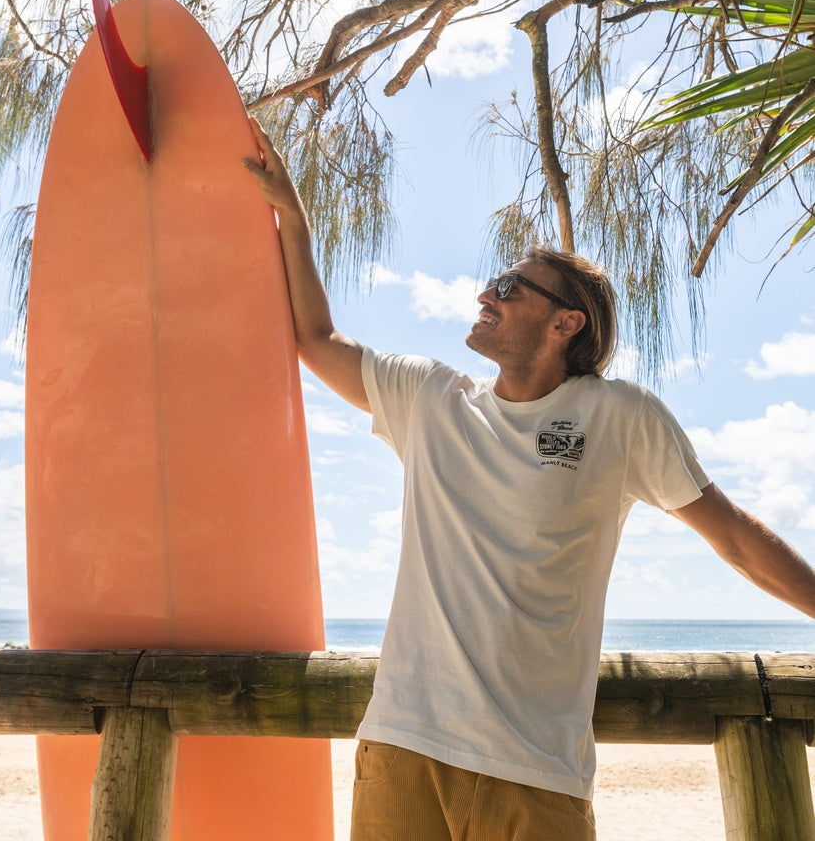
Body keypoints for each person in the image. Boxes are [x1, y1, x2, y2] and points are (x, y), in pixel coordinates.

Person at [243, 117, 815, 841]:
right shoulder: (429, 398)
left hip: (533, 768)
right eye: (494, 280)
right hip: (402, 744)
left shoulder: (620, 416)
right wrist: (292, 217)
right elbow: (315, 340)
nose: (489, 292)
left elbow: (732, 537)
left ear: (566, 323)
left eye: (512, 286)